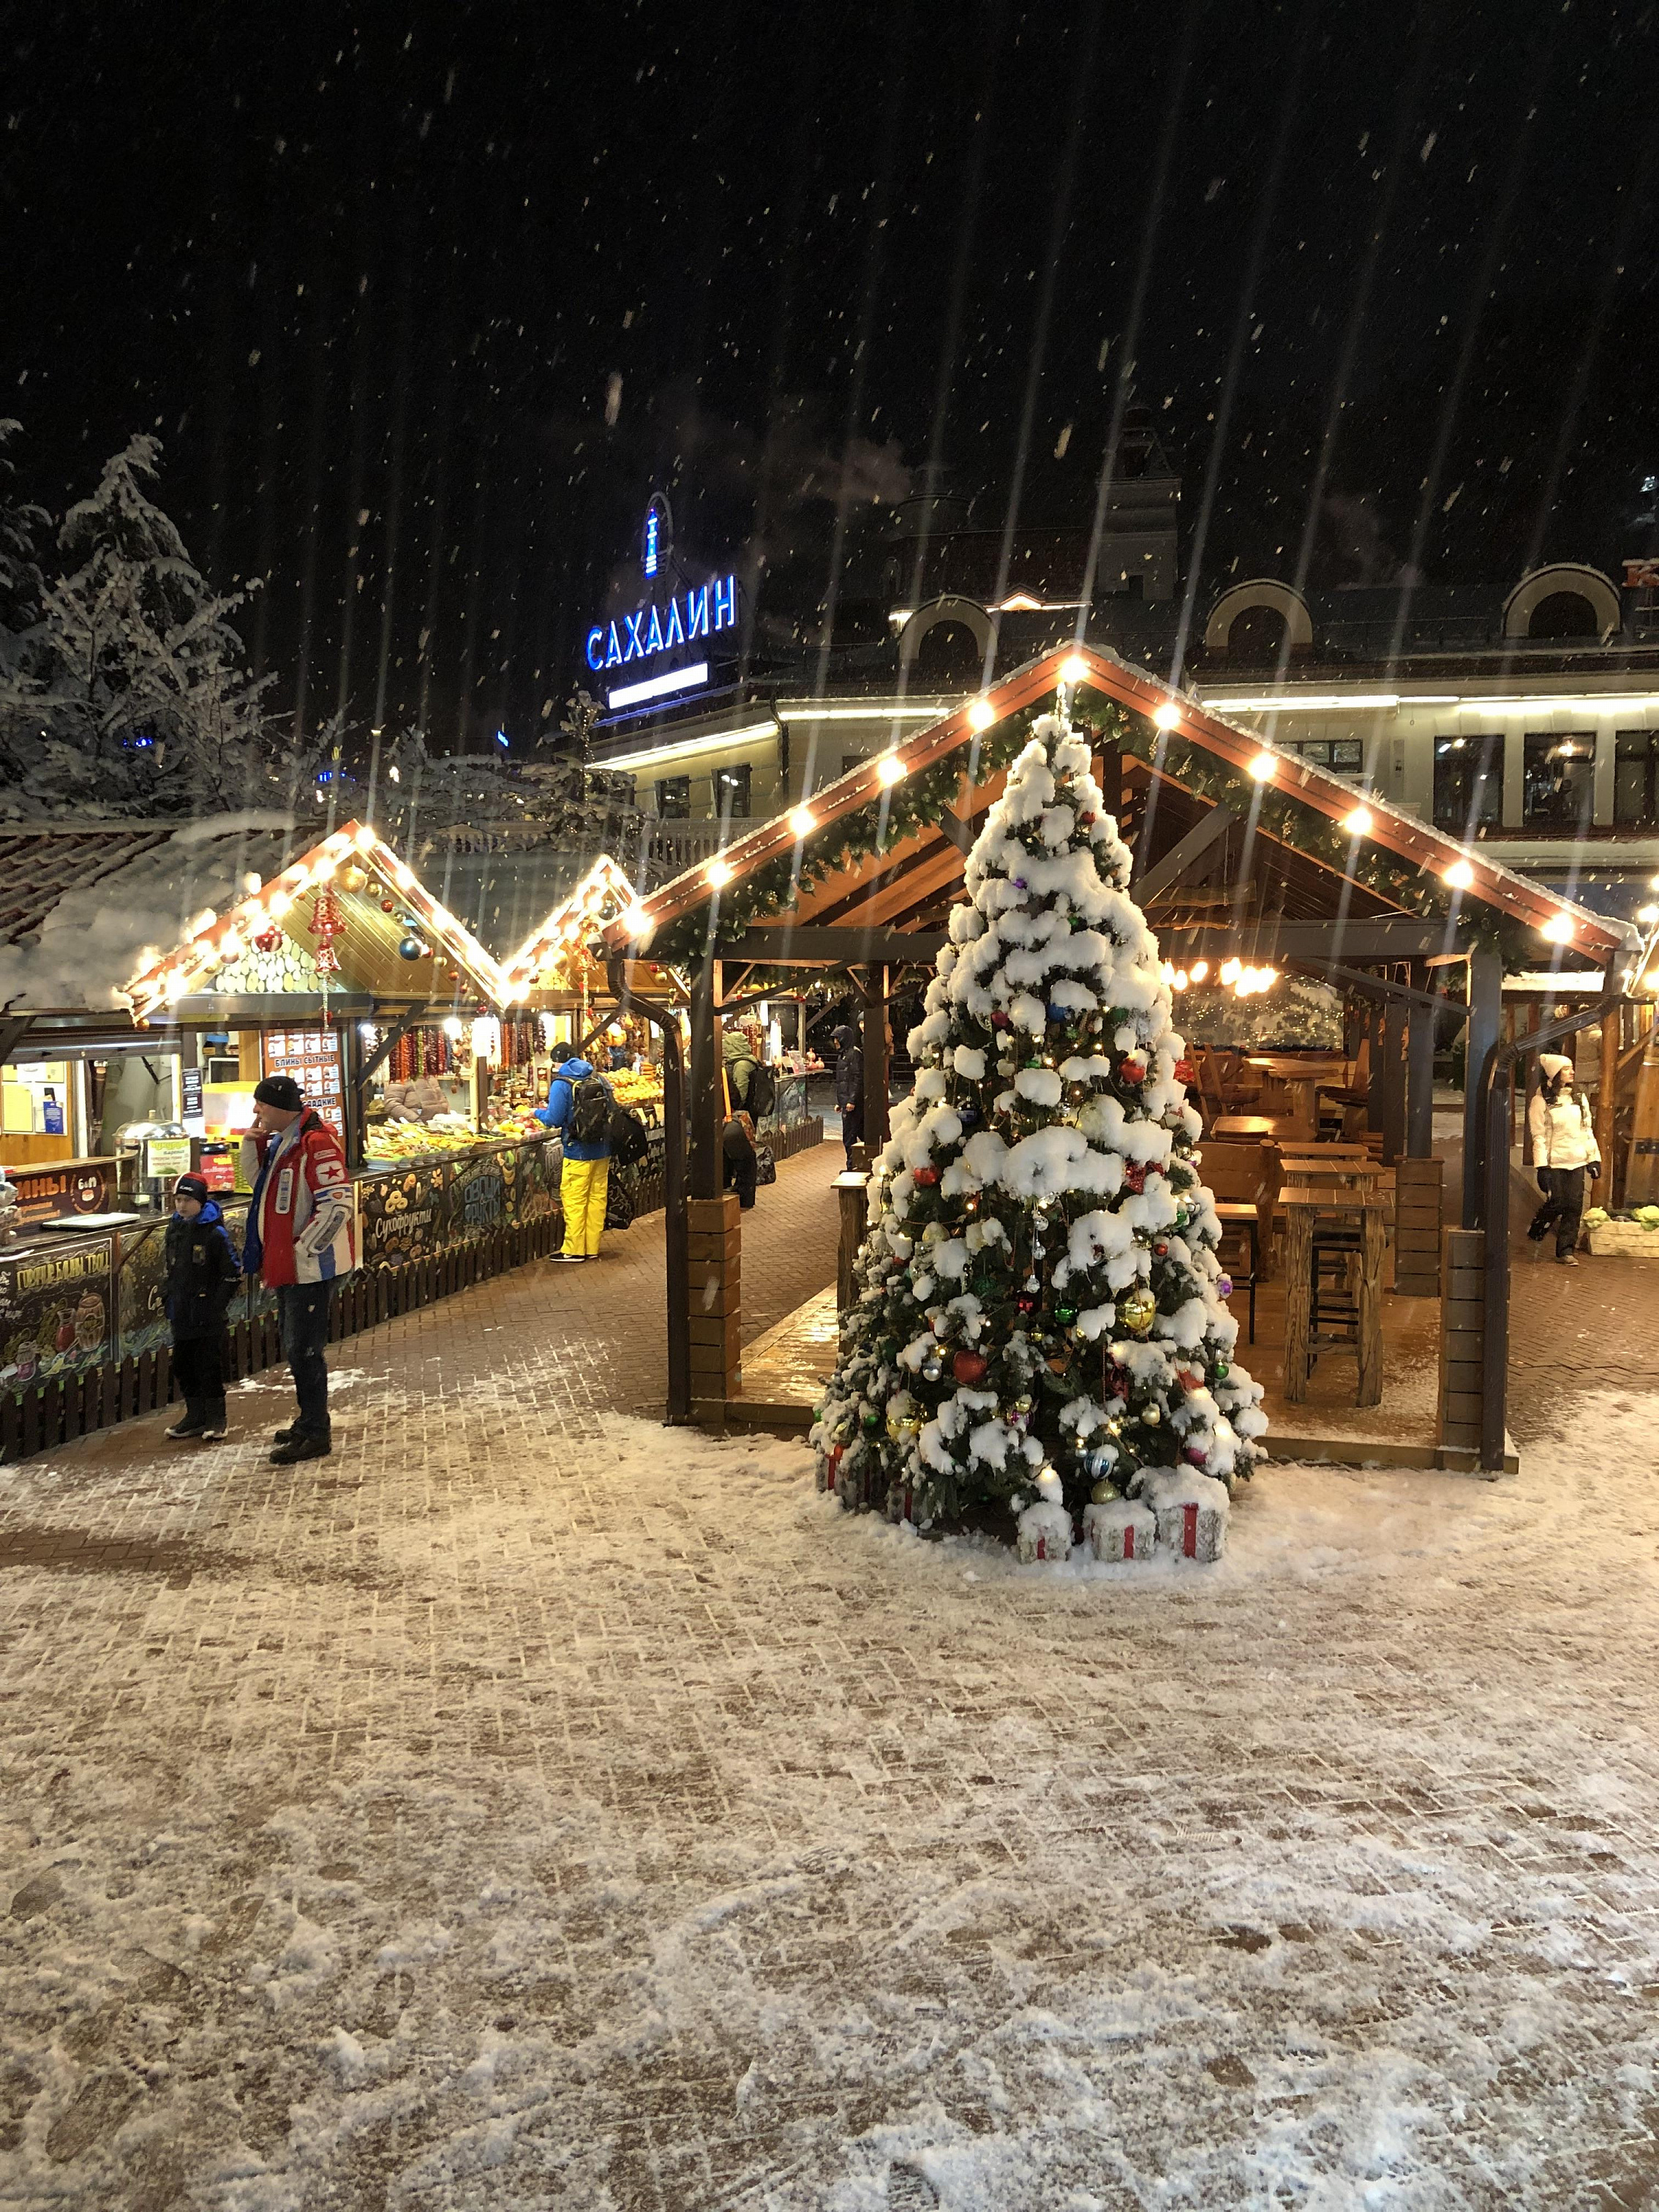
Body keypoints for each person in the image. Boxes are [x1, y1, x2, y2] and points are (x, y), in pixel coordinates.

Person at [239, 1074, 357, 1463]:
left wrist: (303, 1250)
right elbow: (263, 1189)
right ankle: (308, 1421)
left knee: (304, 1350)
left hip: (310, 1268)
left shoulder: (315, 1142)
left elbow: (338, 1205)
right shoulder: (286, 1142)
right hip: (289, 1265)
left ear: (278, 1106)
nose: (255, 1110)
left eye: (261, 1104)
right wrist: (250, 1147)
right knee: (296, 1348)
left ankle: (315, 1432)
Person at [162, 1172, 241, 1440]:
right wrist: (169, 1296)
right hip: (181, 1310)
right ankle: (195, 1415)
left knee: (208, 1365)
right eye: (178, 1200)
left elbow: (232, 1273)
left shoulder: (214, 1233)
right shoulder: (174, 1229)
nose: (182, 1206)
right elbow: (173, 1268)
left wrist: (215, 1306)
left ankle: (217, 1418)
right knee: (184, 1365)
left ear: (200, 1201)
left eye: (188, 1200)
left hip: (207, 1314)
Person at [536, 1042, 614, 1263]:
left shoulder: (562, 1083)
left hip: (577, 1149)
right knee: (597, 1199)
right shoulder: (598, 1077)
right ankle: (592, 1247)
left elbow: (553, 1118)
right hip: (602, 1149)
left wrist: (536, 1112)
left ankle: (574, 1250)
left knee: (575, 1200)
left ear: (558, 1061)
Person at [1527, 1050, 1600, 1265]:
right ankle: (1539, 1225)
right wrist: (1542, 1167)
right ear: (1555, 1074)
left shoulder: (1579, 1099)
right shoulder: (1541, 1102)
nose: (1572, 1072)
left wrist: (1594, 1159)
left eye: (1571, 1068)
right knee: (1557, 1201)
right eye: (1566, 1069)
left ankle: (1566, 1250)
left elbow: (1587, 1130)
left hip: (1576, 1160)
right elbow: (1538, 1136)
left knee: (1574, 1206)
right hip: (1554, 1162)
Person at [833, 1023, 865, 1170]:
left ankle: (852, 1165)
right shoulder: (845, 1055)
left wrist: (851, 1100)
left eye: (837, 1039)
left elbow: (857, 1078)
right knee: (854, 1133)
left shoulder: (853, 1054)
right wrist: (841, 1102)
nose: (835, 1042)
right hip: (848, 1103)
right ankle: (854, 1164)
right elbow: (844, 1081)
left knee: (850, 1135)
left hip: (852, 1105)